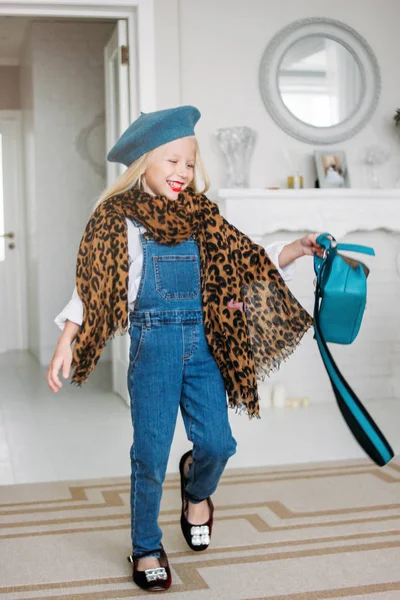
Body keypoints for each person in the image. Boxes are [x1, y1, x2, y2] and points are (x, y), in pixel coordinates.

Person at [47, 105, 323, 592]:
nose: (183, 173)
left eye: (190, 164)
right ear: (143, 163)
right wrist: (67, 340)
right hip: (153, 347)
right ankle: (146, 543)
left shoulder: (203, 217)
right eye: (172, 161)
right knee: (149, 454)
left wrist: (296, 249)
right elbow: (92, 289)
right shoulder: (119, 221)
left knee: (218, 443)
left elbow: (250, 258)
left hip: (205, 346)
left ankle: (197, 488)